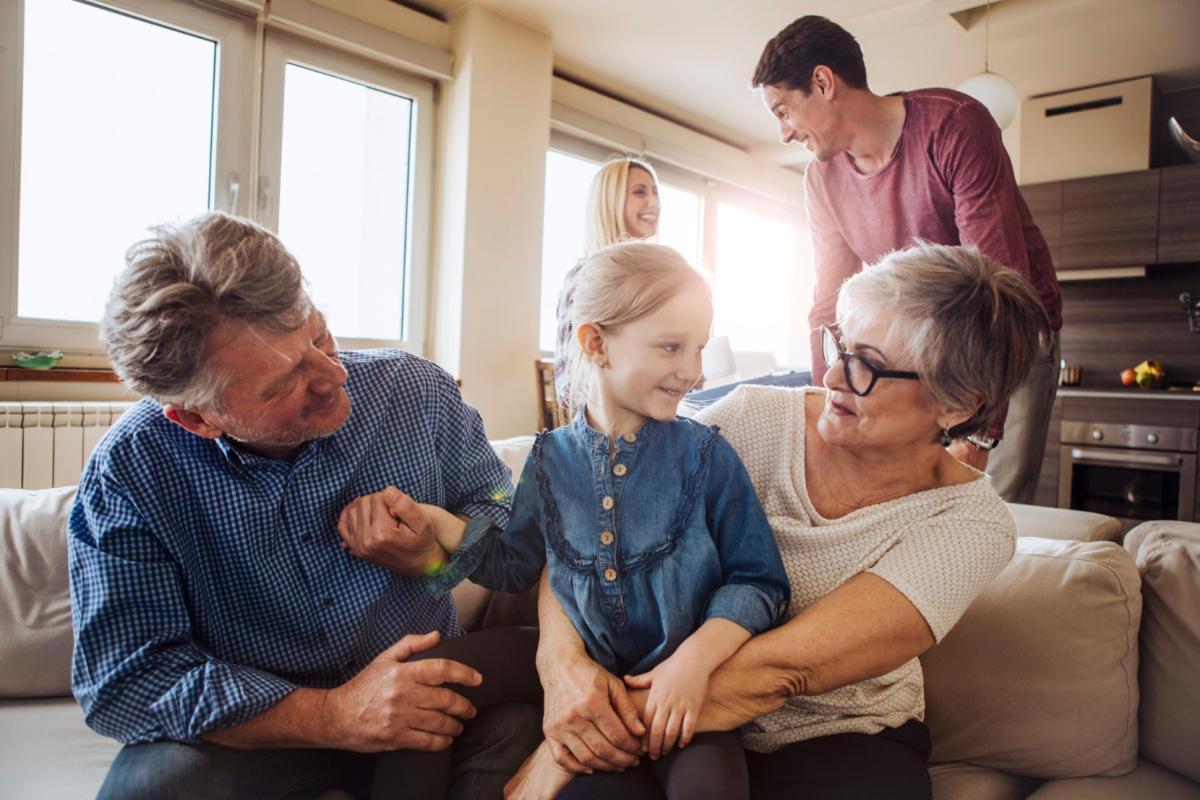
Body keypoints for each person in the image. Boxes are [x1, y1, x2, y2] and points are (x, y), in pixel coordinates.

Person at [513, 243, 1052, 800]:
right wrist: (560, 662)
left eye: (867, 363)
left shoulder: (968, 524)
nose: (836, 375)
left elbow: (783, 669)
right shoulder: (751, 420)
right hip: (663, 707)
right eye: (840, 344)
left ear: (957, 404)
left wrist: (567, 746)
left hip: (836, 740)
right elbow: (592, 527)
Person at [68, 211, 541, 799]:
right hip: (270, 733)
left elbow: (510, 522)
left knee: (526, 728)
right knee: (152, 789)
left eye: (318, 335)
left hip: (434, 706)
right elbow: (127, 679)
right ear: (198, 418)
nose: (333, 374)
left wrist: (438, 554)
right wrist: (336, 715)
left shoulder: (415, 394)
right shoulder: (132, 472)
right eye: (284, 381)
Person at [383, 241, 790, 799]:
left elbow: (759, 581)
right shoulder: (550, 459)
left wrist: (694, 664)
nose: (691, 372)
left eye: (697, 349)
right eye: (671, 347)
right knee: (423, 678)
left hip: (678, 683)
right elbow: (512, 562)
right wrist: (435, 524)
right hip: (574, 661)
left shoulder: (706, 456)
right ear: (596, 343)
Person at [752, 15, 1063, 503]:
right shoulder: (821, 180)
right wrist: (823, 411)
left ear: (823, 82)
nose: (784, 134)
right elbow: (827, 305)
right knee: (913, 498)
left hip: (1012, 336)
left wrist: (979, 434)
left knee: (987, 498)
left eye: (784, 111)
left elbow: (1000, 284)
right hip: (915, 354)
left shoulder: (954, 125)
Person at [554, 157, 661, 409]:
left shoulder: (656, 279)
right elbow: (569, 385)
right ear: (610, 202)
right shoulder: (584, 276)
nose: (655, 203)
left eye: (656, 192)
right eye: (639, 192)